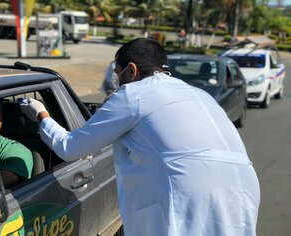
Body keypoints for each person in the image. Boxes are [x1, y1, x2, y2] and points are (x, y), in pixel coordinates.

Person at [20, 38, 260, 235]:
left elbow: (69, 148)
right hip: (242, 188)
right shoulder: (199, 94)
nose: (117, 79)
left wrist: (41, 115)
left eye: (117, 72)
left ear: (131, 70)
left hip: (189, 190)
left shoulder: (134, 94)